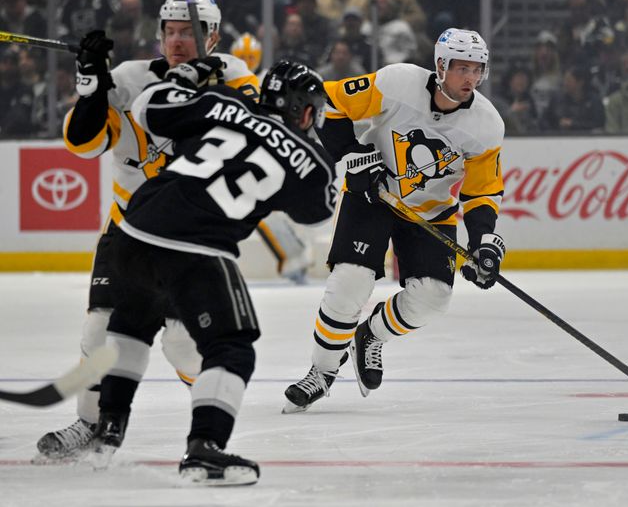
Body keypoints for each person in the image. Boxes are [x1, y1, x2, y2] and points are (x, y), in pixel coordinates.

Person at [35, 0, 260, 461]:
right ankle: (93, 425)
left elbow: (246, 134)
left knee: (183, 344)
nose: (178, 41)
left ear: (214, 37)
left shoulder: (236, 77)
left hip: (190, 236)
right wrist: (91, 83)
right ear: (159, 35)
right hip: (129, 230)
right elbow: (83, 145)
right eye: (171, 31)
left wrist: (204, 88)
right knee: (100, 333)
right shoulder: (129, 78)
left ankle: (211, 422)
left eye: (190, 32)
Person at [89, 58, 335, 484]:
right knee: (232, 346)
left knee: (131, 327)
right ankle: (205, 446)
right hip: (195, 245)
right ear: (303, 109)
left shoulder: (220, 100)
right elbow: (319, 211)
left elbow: (148, 106)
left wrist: (184, 79)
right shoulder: (309, 157)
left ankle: (108, 428)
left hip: (132, 231)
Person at [283, 28, 506, 413]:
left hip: (430, 212)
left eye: (477, 69)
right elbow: (326, 102)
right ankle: (321, 372)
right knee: (351, 282)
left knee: (434, 298)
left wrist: (483, 240)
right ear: (440, 66)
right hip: (373, 196)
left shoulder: (486, 124)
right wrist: (355, 154)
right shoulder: (396, 82)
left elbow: (482, 191)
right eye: (462, 68)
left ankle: (370, 336)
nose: (470, 78)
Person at [230, 32, 317, 283]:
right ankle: (295, 260)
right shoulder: (232, 80)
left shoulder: (269, 79)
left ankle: (298, 259)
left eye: (250, 57)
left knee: (280, 211)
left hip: (275, 151)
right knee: (268, 214)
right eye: (242, 57)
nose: (247, 61)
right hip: (252, 155)